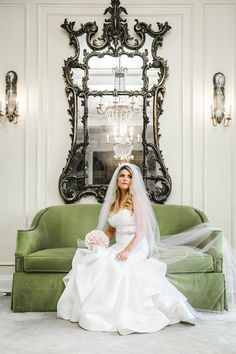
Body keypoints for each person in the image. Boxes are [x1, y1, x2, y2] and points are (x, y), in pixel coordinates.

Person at [57, 163, 199, 335]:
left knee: (118, 266)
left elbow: (142, 231)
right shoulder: (113, 201)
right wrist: (100, 241)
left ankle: (123, 312)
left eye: (129, 176)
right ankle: (100, 309)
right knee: (96, 259)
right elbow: (111, 230)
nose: (125, 179)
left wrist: (127, 251)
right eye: (122, 175)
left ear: (133, 181)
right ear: (117, 179)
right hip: (119, 244)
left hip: (137, 245)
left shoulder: (137, 199)